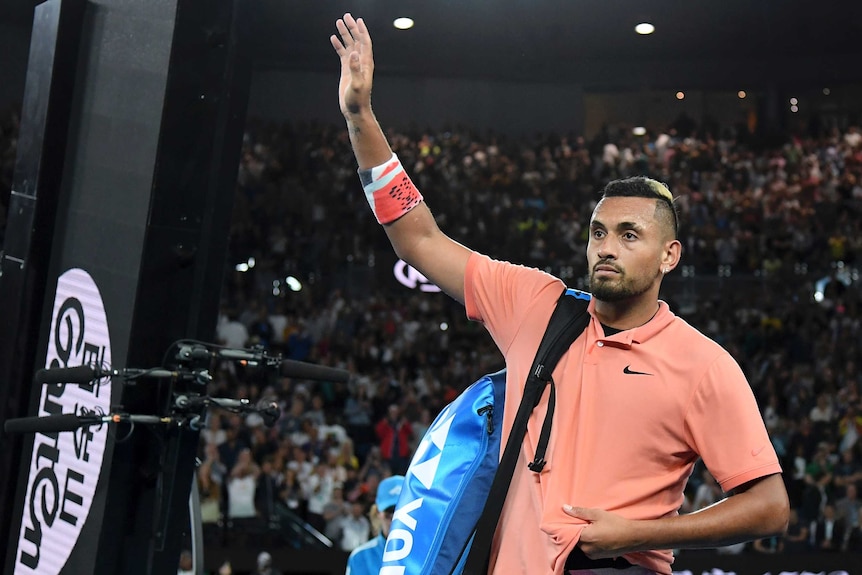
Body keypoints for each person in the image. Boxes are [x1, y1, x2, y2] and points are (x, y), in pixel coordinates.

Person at [330, 13, 789, 575]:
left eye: (629, 235)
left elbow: (769, 507)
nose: (606, 248)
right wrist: (360, 118)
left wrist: (639, 534)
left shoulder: (704, 366)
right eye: (598, 232)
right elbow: (419, 239)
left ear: (669, 256)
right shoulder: (536, 305)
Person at [344, 475, 404, 575]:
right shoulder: (361, 557)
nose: (396, 520)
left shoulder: (429, 555)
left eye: (402, 512)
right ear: (378, 513)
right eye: (390, 513)